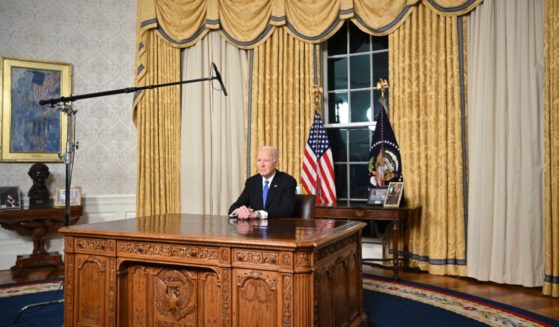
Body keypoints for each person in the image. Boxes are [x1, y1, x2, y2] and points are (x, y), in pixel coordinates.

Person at [228, 145, 297, 219]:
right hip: (255, 229)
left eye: (266, 160)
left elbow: (287, 210)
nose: (261, 165)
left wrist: (258, 214)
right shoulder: (252, 182)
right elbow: (234, 206)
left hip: (278, 228)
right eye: (259, 160)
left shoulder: (287, 181)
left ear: (276, 163)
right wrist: (239, 211)